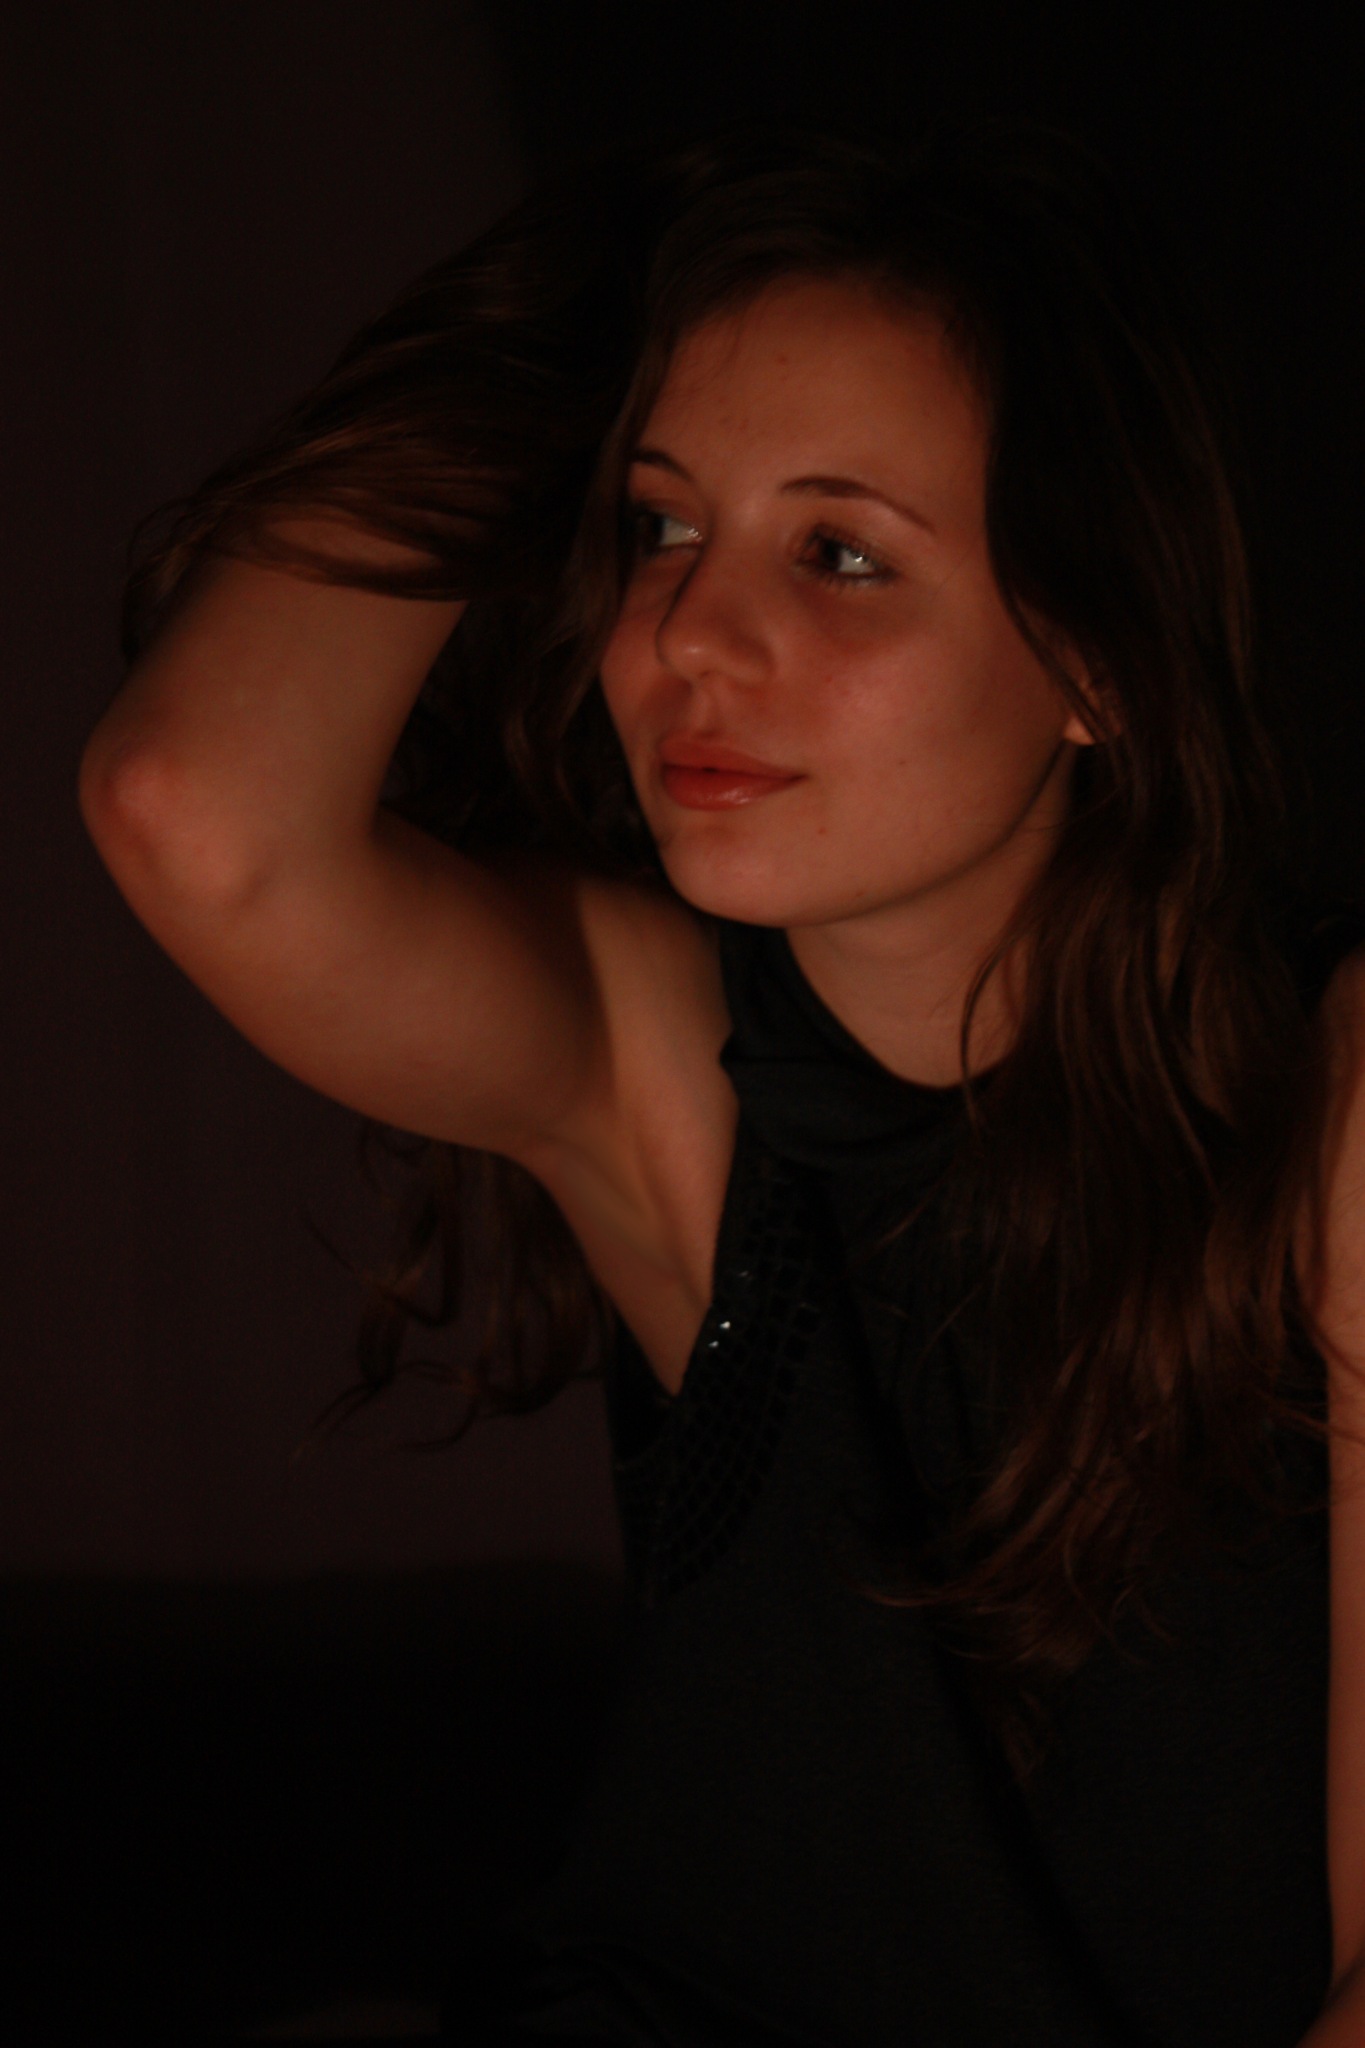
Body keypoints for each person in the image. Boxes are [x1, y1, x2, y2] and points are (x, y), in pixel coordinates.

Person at [79, 119, 1365, 2047]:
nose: (689, 634)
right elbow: (193, 809)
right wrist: (590, 292)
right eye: (663, 526)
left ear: (1096, 659)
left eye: (839, 554)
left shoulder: (1331, 1100)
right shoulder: (674, 1071)